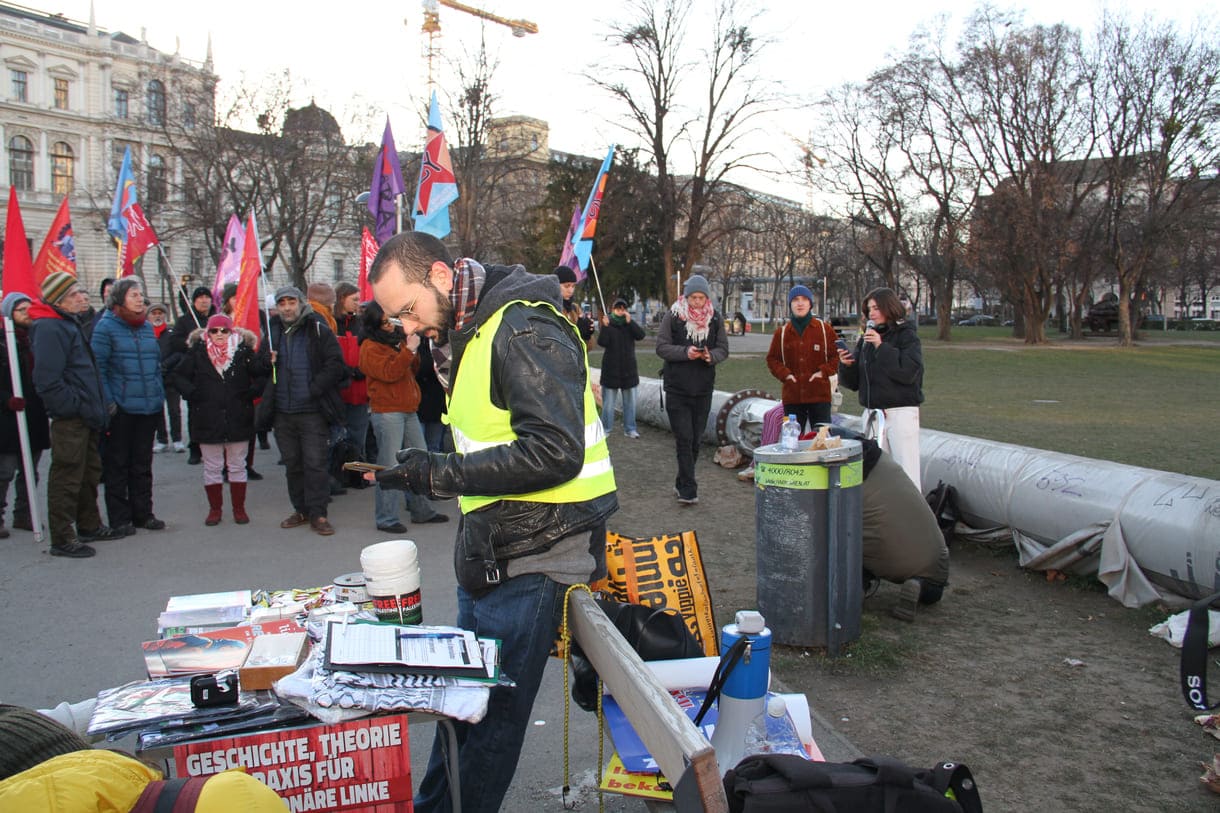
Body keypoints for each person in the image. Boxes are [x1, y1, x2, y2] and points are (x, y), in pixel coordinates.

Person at [367, 232, 617, 813]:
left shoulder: (520, 326)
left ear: (440, 275)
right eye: (394, 319)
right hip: (495, 547)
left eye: (406, 310)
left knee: (490, 727)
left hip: (536, 551)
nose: (404, 329)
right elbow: (492, 436)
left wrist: (441, 474)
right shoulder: (472, 328)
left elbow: (556, 451)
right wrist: (426, 471)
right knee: (464, 710)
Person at [29, 271, 125, 557]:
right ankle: (62, 537)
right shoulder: (49, 327)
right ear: (59, 300)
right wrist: (76, 407)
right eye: (74, 294)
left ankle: (89, 524)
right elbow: (47, 380)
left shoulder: (68, 324)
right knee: (67, 476)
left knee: (88, 474)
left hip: (86, 416)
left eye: (81, 292)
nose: (82, 297)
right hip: (71, 419)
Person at [261, 286, 346, 536]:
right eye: (282, 303)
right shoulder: (273, 329)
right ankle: (301, 509)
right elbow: (257, 368)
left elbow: (335, 364)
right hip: (282, 411)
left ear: (300, 303)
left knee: (315, 464)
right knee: (293, 465)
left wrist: (314, 388)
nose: (287, 307)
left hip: (312, 410)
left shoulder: (317, 327)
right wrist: (266, 359)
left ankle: (318, 514)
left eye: (291, 302)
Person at [358, 301, 448, 533]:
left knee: (419, 459)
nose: (390, 326)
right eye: (385, 322)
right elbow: (389, 373)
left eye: (391, 321)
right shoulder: (369, 346)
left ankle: (421, 510)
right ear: (375, 323)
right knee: (389, 464)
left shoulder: (394, 341)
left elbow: (412, 370)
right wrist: (408, 350)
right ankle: (386, 517)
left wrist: (411, 349)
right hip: (387, 411)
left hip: (408, 408)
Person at [171, 314, 270, 526]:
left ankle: (239, 509)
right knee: (212, 467)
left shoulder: (242, 352)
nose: (219, 335)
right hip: (208, 418)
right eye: (214, 331)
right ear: (208, 332)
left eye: (224, 330)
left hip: (238, 416)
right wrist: (193, 394)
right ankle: (215, 509)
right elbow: (178, 376)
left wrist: (253, 391)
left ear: (231, 331)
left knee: (237, 466)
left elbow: (261, 374)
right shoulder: (197, 352)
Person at [91, 277, 166, 534]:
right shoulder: (105, 328)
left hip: (149, 406)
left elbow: (155, 364)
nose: (140, 299)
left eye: (140, 294)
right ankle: (120, 518)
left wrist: (158, 393)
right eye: (133, 294)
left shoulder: (145, 327)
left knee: (142, 464)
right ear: (119, 299)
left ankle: (143, 514)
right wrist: (110, 403)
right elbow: (98, 370)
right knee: (118, 465)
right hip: (122, 409)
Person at [837, 286, 924, 491]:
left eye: (876, 308)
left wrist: (881, 347)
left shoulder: (907, 336)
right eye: (869, 309)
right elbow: (855, 383)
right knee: (875, 473)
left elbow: (908, 372)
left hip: (899, 413)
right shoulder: (866, 339)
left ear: (889, 307)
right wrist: (847, 365)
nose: (872, 313)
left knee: (905, 470)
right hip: (873, 414)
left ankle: (911, 518)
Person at [656, 273, 729, 505]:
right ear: (686, 297)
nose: (697, 302)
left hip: (703, 388)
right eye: (693, 297)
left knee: (696, 440)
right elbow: (662, 347)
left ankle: (682, 481)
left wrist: (710, 356)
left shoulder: (715, 319)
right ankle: (689, 489)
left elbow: (723, 349)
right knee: (684, 438)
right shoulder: (673, 316)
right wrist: (685, 353)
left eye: (701, 297)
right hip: (677, 388)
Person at [0, 292, 49, 537]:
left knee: (30, 468)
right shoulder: (3, 341)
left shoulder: (37, 338)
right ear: (10, 314)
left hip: (34, 413)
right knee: (5, 470)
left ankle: (24, 514)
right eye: (21, 310)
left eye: (29, 309)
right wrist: (6, 399)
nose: (27, 314)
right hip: (8, 416)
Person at [766, 284, 840, 431]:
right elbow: (772, 359)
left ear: (810, 304)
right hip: (792, 397)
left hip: (819, 396)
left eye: (804, 299)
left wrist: (823, 372)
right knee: (792, 440)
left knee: (821, 439)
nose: (800, 303)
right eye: (795, 300)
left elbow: (836, 356)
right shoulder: (782, 333)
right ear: (790, 304)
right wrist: (785, 375)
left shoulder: (825, 330)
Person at [171, 286, 215, 462]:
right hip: (195, 372)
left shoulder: (216, 319)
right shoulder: (184, 321)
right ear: (194, 301)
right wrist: (193, 341)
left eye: (207, 297)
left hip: (215, 372)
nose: (204, 301)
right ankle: (195, 448)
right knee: (195, 412)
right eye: (200, 298)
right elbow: (174, 342)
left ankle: (211, 445)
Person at [597, 297, 646, 438]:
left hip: (629, 371)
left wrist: (631, 322)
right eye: (618, 308)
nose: (620, 311)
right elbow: (602, 342)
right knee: (608, 404)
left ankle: (630, 428)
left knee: (630, 403)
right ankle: (606, 429)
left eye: (623, 308)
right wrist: (604, 327)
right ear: (613, 310)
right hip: (610, 371)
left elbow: (640, 335)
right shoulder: (608, 323)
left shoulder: (629, 325)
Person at [334, 281, 371, 466]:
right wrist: (347, 371)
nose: (358, 303)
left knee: (358, 435)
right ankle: (339, 473)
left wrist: (363, 369)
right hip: (339, 389)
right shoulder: (332, 324)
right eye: (354, 299)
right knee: (338, 436)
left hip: (360, 390)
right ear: (342, 299)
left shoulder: (361, 324)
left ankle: (357, 474)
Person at [147, 303, 183, 454]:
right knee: (157, 411)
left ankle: (177, 439)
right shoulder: (145, 333)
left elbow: (178, 353)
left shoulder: (171, 333)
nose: (157, 316)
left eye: (160, 313)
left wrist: (165, 365)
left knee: (174, 410)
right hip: (153, 379)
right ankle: (162, 440)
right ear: (149, 316)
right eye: (154, 313)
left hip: (170, 378)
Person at [554, 265, 595, 345]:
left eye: (573, 286)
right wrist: (576, 333)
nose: (571, 290)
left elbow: (588, 348)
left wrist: (586, 334)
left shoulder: (575, 308)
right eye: (567, 286)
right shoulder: (551, 308)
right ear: (555, 285)